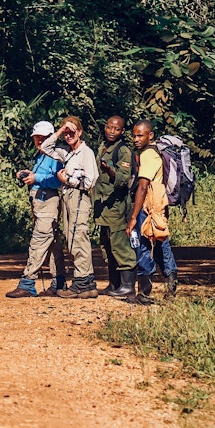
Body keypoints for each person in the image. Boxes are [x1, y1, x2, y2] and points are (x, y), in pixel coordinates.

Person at [6, 121, 67, 298]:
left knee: (39, 241)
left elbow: (57, 180)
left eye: (43, 137)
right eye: (37, 137)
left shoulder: (55, 155)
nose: (39, 141)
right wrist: (27, 175)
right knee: (53, 242)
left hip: (48, 201)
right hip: (39, 202)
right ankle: (59, 282)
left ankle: (27, 283)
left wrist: (36, 178)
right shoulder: (40, 156)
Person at [40, 116, 100, 299]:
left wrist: (67, 180)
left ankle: (81, 282)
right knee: (71, 237)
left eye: (72, 132)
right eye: (66, 133)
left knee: (78, 237)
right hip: (68, 196)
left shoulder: (86, 153)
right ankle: (87, 284)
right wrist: (60, 130)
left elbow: (90, 181)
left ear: (80, 132)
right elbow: (45, 147)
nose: (68, 136)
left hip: (79, 197)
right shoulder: (67, 152)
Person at [125, 120, 179, 305]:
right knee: (161, 243)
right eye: (134, 135)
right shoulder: (156, 152)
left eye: (140, 135)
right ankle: (171, 286)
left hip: (148, 207)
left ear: (151, 135)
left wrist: (133, 217)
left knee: (144, 246)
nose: (136, 139)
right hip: (158, 205)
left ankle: (144, 293)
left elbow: (142, 187)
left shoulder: (148, 154)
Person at [93, 116, 137, 298]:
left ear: (122, 131)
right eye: (109, 127)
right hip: (103, 206)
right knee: (107, 246)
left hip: (116, 206)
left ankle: (128, 286)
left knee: (120, 245)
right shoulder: (103, 146)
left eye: (116, 129)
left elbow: (123, 179)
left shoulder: (123, 150)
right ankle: (114, 284)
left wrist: (110, 171)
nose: (112, 131)